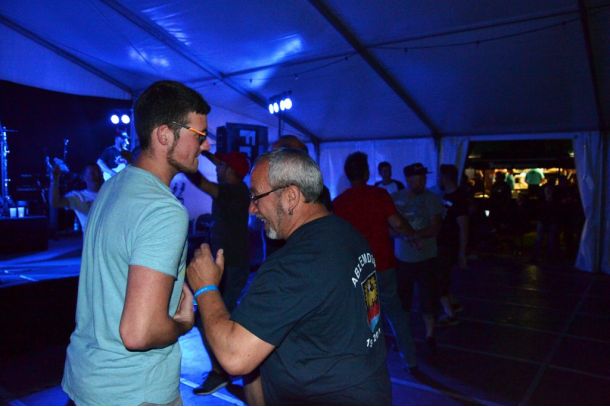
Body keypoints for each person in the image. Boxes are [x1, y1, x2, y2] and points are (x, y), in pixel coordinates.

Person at [186, 148, 392, 405]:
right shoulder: (346, 233)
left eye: (256, 196)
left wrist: (205, 288)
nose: (252, 208)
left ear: (290, 197)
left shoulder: (295, 263)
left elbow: (234, 356)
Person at [62, 80, 211, 405]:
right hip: (133, 391)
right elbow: (139, 333)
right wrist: (184, 322)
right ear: (164, 135)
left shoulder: (112, 187)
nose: (206, 145)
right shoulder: (163, 210)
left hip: (86, 381)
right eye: (199, 135)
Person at [333, 151, 419, 371]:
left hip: (357, 269)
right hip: (383, 264)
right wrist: (412, 234)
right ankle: (410, 359)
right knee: (395, 314)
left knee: (367, 318)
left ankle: (366, 362)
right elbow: (396, 223)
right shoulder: (379, 195)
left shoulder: (339, 203)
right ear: (366, 172)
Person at [187, 151, 251, 395]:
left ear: (232, 171)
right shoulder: (236, 187)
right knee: (220, 317)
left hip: (231, 267)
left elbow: (202, 183)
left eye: (223, 165)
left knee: (209, 318)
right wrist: (203, 152)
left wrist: (185, 161)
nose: (217, 167)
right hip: (231, 265)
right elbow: (223, 165)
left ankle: (221, 371)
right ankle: (228, 366)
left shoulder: (232, 191)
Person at [392, 162, 443, 354]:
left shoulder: (432, 198)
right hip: (403, 259)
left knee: (428, 298)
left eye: (423, 178)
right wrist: (409, 236)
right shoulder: (396, 198)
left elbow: (435, 227)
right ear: (408, 179)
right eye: (417, 179)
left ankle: (430, 335)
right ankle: (404, 336)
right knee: (403, 301)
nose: (421, 182)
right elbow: (389, 227)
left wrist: (412, 235)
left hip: (426, 258)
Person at [435, 164, 469, 326]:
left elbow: (464, 226)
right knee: (444, 276)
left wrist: (462, 252)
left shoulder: (458, 198)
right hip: (444, 243)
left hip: (448, 245)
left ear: (445, 178)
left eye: (440, 176)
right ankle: (453, 304)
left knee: (438, 279)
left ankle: (450, 314)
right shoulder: (446, 196)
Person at [50, 163, 103, 232]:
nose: (97, 175)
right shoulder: (78, 196)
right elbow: (55, 202)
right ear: (83, 177)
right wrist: (55, 179)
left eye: (99, 172)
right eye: (92, 173)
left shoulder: (110, 192)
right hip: (94, 237)